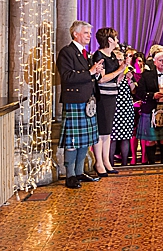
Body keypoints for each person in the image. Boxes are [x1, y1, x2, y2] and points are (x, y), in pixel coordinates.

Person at [57, 21, 104, 188]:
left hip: (88, 102)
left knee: (85, 141)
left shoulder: (86, 54)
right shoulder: (67, 52)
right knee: (73, 140)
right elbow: (67, 77)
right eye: (86, 33)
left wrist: (96, 74)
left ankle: (79, 172)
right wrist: (90, 72)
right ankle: (70, 175)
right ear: (76, 34)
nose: (89, 36)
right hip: (75, 102)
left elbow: (88, 77)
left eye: (90, 33)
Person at [135, 51, 163, 164]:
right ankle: (151, 163)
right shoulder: (147, 75)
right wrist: (152, 96)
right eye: (160, 60)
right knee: (151, 140)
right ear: (154, 62)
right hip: (151, 109)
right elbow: (139, 93)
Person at [92, 28, 123, 176]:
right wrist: (119, 70)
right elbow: (101, 79)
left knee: (108, 131)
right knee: (101, 130)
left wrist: (123, 72)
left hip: (112, 94)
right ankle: (98, 162)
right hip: (102, 96)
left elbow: (116, 80)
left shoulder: (112, 56)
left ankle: (106, 160)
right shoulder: (99, 55)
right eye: (115, 38)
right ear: (109, 40)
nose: (117, 41)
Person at [110, 47, 137, 167]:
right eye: (118, 59)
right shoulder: (111, 73)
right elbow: (112, 85)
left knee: (126, 136)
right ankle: (109, 163)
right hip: (114, 107)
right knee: (112, 138)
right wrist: (120, 74)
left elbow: (134, 91)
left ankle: (125, 162)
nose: (120, 62)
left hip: (126, 107)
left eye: (122, 59)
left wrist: (130, 80)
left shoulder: (127, 72)